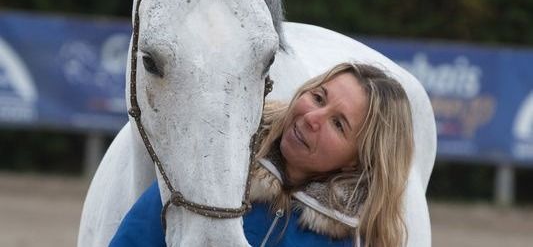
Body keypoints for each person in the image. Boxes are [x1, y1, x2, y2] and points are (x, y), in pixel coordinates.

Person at [110, 62, 414, 247]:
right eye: (318, 97)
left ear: (358, 159)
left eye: (338, 124)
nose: (313, 117)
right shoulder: (214, 166)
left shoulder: (353, 239)